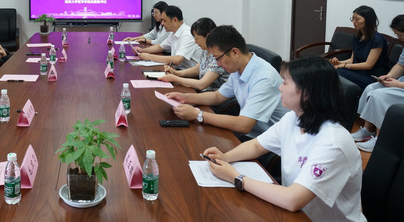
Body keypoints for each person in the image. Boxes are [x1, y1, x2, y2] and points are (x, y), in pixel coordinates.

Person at [202, 56, 366, 222]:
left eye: (286, 82)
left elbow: (293, 199)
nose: (280, 87)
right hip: (293, 213)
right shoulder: (293, 118)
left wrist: (237, 178)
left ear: (307, 93)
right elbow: (257, 145)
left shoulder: (333, 143)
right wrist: (226, 157)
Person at [165, 25, 287, 138]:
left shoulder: (264, 78)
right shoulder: (238, 68)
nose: (217, 64)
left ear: (235, 52)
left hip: (269, 139)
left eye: (218, 58)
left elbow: (244, 125)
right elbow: (218, 96)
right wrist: (185, 97)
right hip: (252, 134)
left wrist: (198, 115)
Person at [351, 14, 404, 152]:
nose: (399, 39)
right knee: (371, 88)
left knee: (379, 95)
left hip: (402, 86)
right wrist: (388, 76)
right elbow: (401, 65)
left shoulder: (377, 40)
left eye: (400, 35)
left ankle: (380, 139)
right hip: (400, 83)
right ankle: (368, 130)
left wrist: (398, 85)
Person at [160, 17, 228, 91]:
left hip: (213, 94)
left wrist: (175, 79)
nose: (195, 42)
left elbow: (202, 84)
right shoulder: (206, 50)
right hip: (202, 91)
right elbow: (197, 69)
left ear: (208, 36)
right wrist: (176, 73)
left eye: (197, 38)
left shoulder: (218, 55)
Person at [331, 5, 389, 90]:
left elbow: (368, 65)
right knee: (330, 68)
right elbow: (352, 59)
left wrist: (343, 66)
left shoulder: (377, 39)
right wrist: (339, 63)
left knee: (336, 72)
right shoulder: (357, 37)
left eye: (357, 19)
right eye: (352, 19)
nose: (354, 22)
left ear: (368, 20)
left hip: (372, 76)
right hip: (358, 72)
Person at [134, 5, 202, 70]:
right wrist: (142, 51)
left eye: (164, 20)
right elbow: (160, 47)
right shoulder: (173, 32)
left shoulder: (187, 35)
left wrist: (149, 57)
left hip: (189, 73)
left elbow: (177, 60)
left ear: (175, 20)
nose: (162, 23)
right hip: (177, 69)